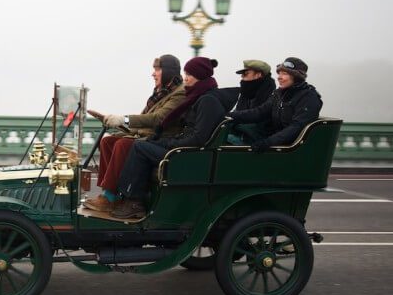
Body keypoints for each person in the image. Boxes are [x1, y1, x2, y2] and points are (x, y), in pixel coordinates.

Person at [112, 57, 232, 219]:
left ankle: (134, 202)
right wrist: (163, 141)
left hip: (189, 155)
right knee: (143, 144)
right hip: (185, 150)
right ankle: (124, 198)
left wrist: (171, 143)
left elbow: (198, 138)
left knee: (140, 148)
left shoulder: (207, 100)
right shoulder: (199, 97)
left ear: (199, 76)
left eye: (189, 74)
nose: (186, 78)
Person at [84, 54, 186, 212]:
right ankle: (110, 194)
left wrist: (122, 120)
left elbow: (157, 119)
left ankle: (109, 197)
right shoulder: (161, 92)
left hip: (160, 139)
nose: (153, 73)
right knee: (107, 141)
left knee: (123, 145)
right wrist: (119, 125)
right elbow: (144, 120)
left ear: (168, 71)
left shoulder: (179, 93)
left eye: (157, 69)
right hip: (147, 136)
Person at [228, 57, 322, 152]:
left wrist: (268, 142)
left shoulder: (308, 97)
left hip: (290, 150)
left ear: (297, 77)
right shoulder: (279, 94)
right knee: (227, 137)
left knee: (231, 141)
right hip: (275, 142)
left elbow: (297, 126)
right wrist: (228, 115)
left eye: (284, 74)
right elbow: (259, 112)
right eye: (279, 73)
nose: (279, 77)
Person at [220, 59, 276, 144]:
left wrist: (226, 115)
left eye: (245, 74)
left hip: (257, 141)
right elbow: (239, 113)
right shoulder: (246, 92)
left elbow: (257, 114)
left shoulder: (273, 95)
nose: (242, 77)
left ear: (258, 74)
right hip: (242, 135)